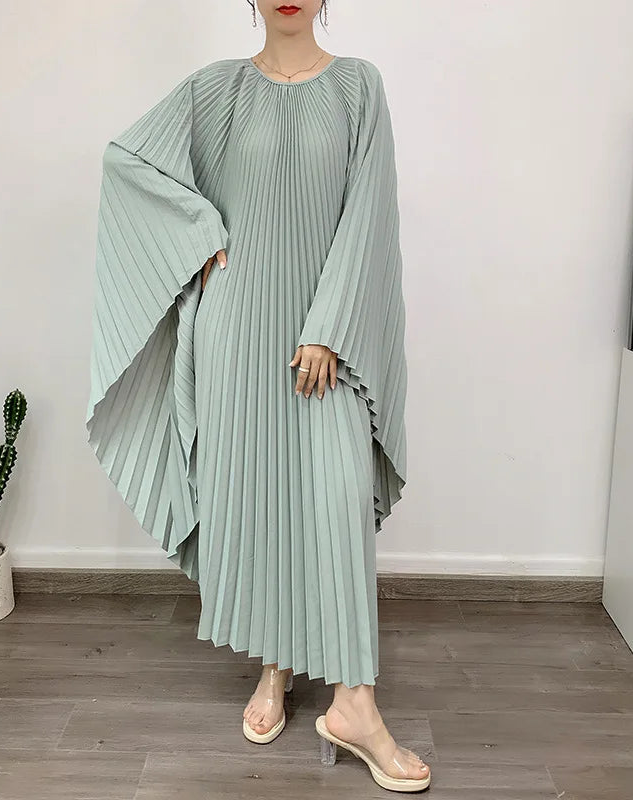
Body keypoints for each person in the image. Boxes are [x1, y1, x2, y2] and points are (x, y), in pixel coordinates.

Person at [85, 0, 429, 791]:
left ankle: (355, 703)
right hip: (237, 333)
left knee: (335, 503)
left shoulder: (359, 88)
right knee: (259, 498)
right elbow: (127, 163)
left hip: (327, 338)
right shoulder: (214, 91)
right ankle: (275, 667)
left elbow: (370, 215)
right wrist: (198, 229)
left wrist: (332, 326)